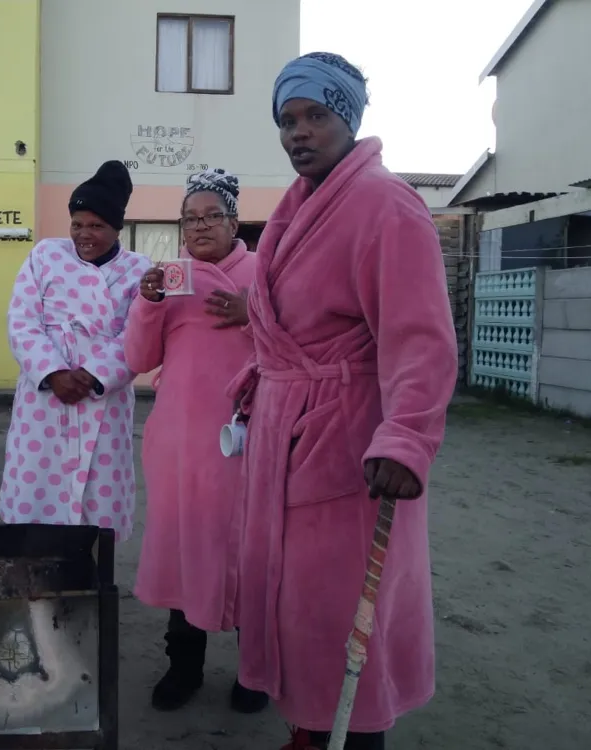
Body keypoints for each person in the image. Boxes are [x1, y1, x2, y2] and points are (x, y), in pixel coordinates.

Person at [228, 53, 458, 750]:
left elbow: (420, 337)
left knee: (341, 620)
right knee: (296, 609)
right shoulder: (297, 207)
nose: (298, 132)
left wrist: (406, 439)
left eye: (316, 115)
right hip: (284, 430)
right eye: (287, 120)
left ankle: (351, 739)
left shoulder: (387, 205)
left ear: (348, 118)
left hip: (349, 444)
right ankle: (307, 730)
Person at [124, 169, 267, 714]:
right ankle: (183, 667)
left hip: (249, 441)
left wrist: (253, 312)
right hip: (181, 444)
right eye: (190, 218)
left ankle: (255, 673)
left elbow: (299, 341)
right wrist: (148, 303)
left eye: (212, 216)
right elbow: (139, 359)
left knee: (250, 555)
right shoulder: (171, 277)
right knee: (185, 554)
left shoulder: (265, 272)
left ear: (234, 221)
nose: (200, 226)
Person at [0, 160, 153, 541]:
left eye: (96, 226)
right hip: (45, 403)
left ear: (117, 228)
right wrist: (53, 373)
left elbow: (138, 333)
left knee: (96, 515)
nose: (84, 235)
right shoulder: (45, 255)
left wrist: (94, 375)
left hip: (103, 398)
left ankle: (94, 574)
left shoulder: (138, 269)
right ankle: (34, 574)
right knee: (37, 505)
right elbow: (21, 320)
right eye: (77, 224)